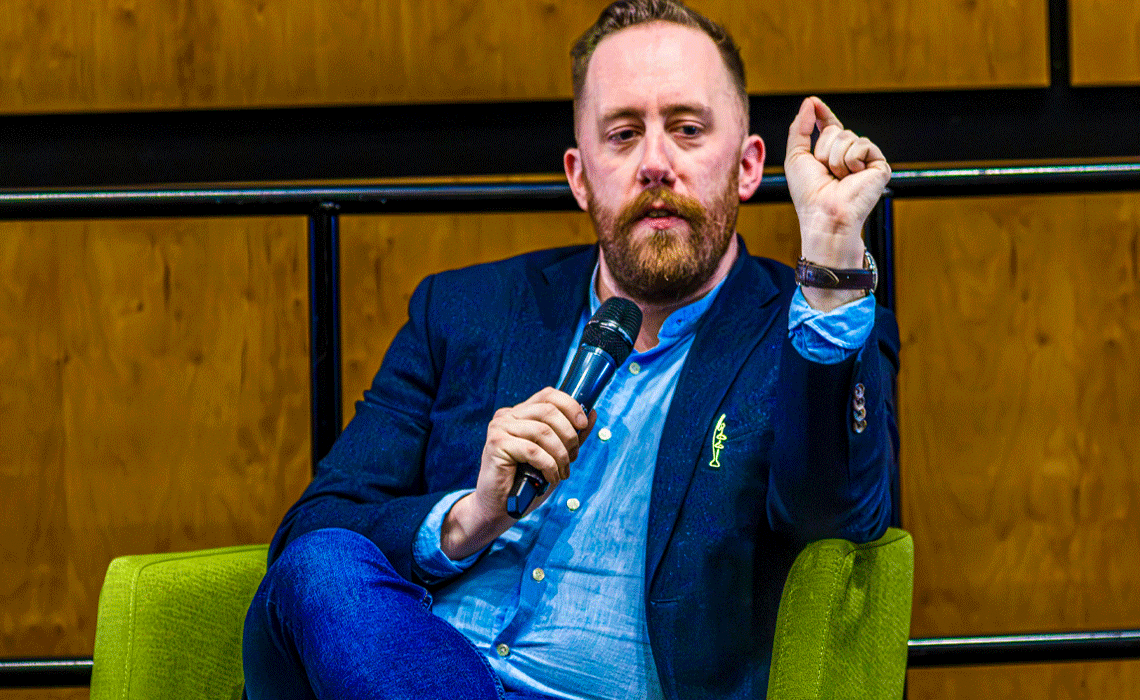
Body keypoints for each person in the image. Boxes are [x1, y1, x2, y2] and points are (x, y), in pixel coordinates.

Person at [242, 1, 899, 699]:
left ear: (747, 166)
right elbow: (310, 533)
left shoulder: (802, 336)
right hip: (410, 674)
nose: (654, 163)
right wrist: (469, 517)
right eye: (622, 135)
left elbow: (838, 522)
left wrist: (830, 254)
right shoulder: (465, 311)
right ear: (580, 174)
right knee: (325, 564)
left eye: (686, 129)